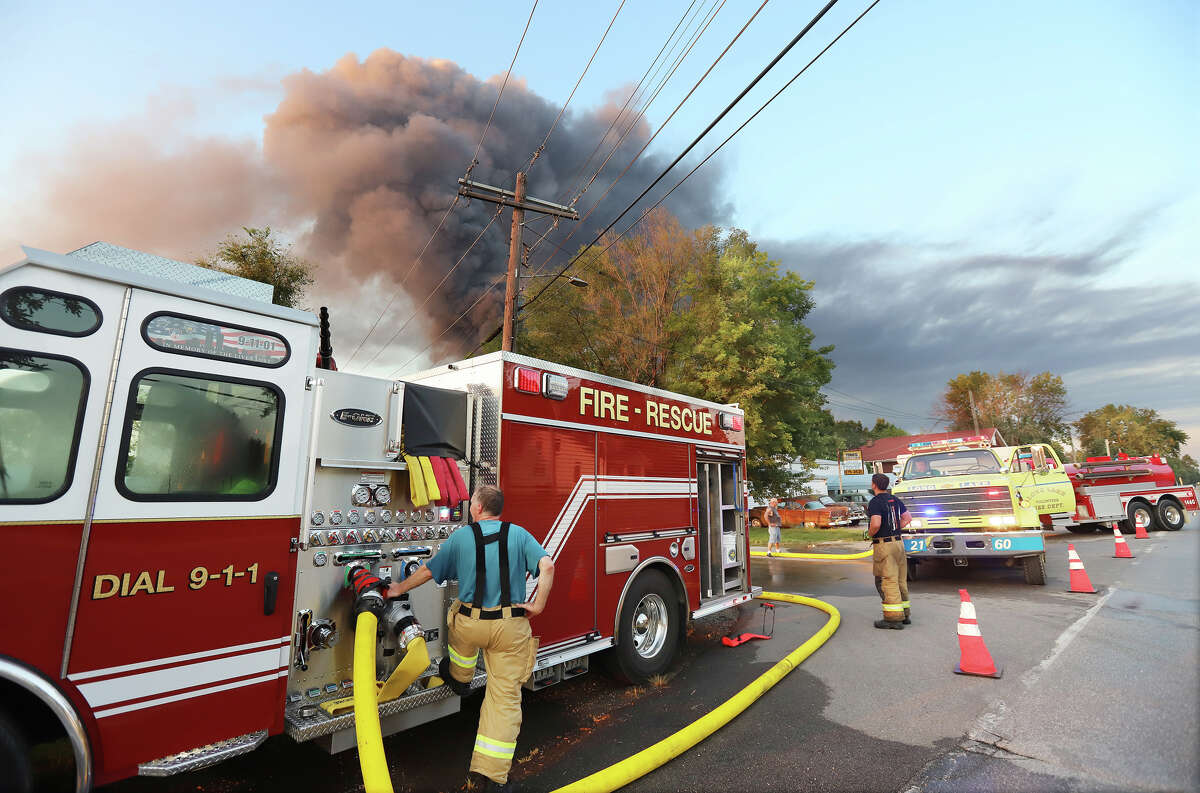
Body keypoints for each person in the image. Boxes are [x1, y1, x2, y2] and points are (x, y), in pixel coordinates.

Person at [386, 485, 554, 792]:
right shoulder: (519, 534)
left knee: (459, 633)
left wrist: (398, 588)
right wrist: (539, 604)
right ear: (498, 509)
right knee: (503, 700)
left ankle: (460, 678)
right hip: (509, 627)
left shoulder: (461, 537)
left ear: (477, 508)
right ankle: (492, 778)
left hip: (470, 624)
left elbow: (428, 571)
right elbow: (547, 566)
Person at [866, 473, 912, 629]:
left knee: (887, 581)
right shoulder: (895, 500)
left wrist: (869, 534)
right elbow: (908, 518)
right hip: (898, 543)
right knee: (900, 580)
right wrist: (895, 528)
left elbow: (875, 524)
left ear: (874, 485)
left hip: (884, 545)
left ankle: (893, 619)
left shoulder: (875, 502)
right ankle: (905, 614)